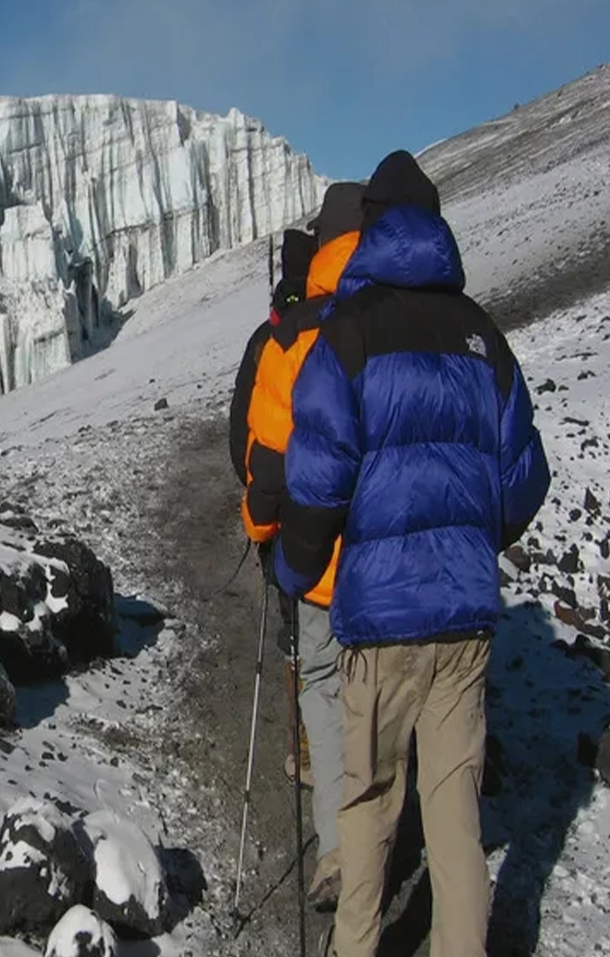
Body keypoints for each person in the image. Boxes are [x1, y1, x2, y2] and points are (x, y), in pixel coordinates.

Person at [275, 151, 551, 957]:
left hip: (381, 623)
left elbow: (318, 476)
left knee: (368, 806)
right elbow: (524, 478)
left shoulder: (348, 336)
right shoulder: (482, 337)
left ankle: (355, 947)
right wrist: (474, 537)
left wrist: (297, 567)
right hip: (463, 621)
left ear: (372, 233)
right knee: (454, 810)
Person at [228, 182, 366, 912]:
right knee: (374, 686)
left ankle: (342, 845)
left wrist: (260, 521)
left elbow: (260, 444)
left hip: (311, 549)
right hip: (386, 554)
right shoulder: (390, 317)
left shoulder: (287, 334)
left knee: (315, 672)